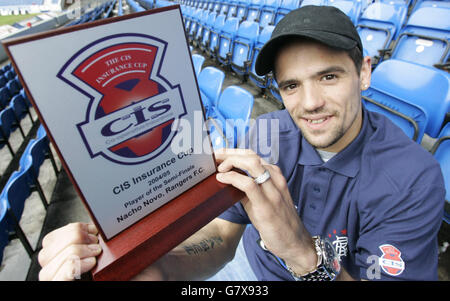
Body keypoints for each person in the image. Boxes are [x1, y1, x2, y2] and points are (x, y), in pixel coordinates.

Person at [38, 5, 445, 281]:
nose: (309, 104)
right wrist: (153, 265)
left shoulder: (414, 178)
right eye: (291, 85)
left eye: (329, 77)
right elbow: (223, 238)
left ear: (364, 72)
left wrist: (300, 251)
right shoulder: (268, 131)